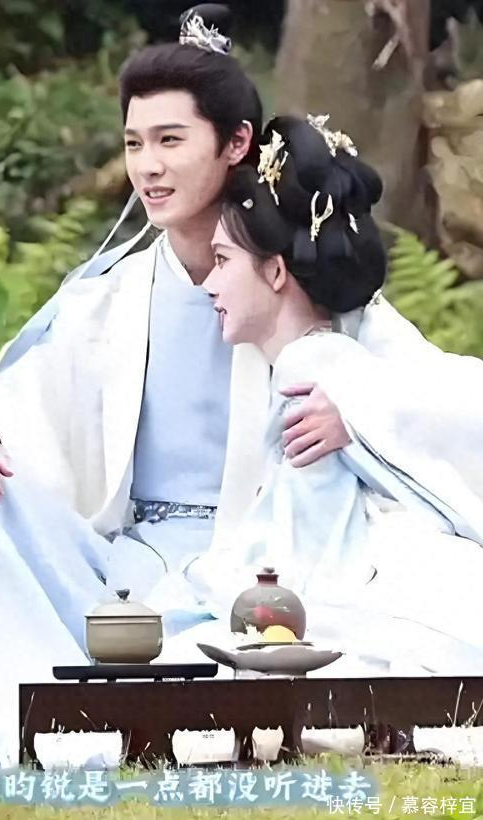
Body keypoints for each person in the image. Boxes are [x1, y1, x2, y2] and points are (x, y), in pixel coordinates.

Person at [0, 6, 351, 771]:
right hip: (123, 563)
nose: (148, 166)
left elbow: (417, 388)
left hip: (267, 561)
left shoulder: (306, 272)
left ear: (236, 143)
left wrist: (359, 412)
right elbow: (23, 402)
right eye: (134, 143)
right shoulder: (113, 298)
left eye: (171, 141)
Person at [153, 115, 483, 676]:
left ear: (276, 272)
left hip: (363, 591)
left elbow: (310, 556)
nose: (208, 283)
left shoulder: (314, 365)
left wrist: (358, 408)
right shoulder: (309, 356)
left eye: (223, 261)